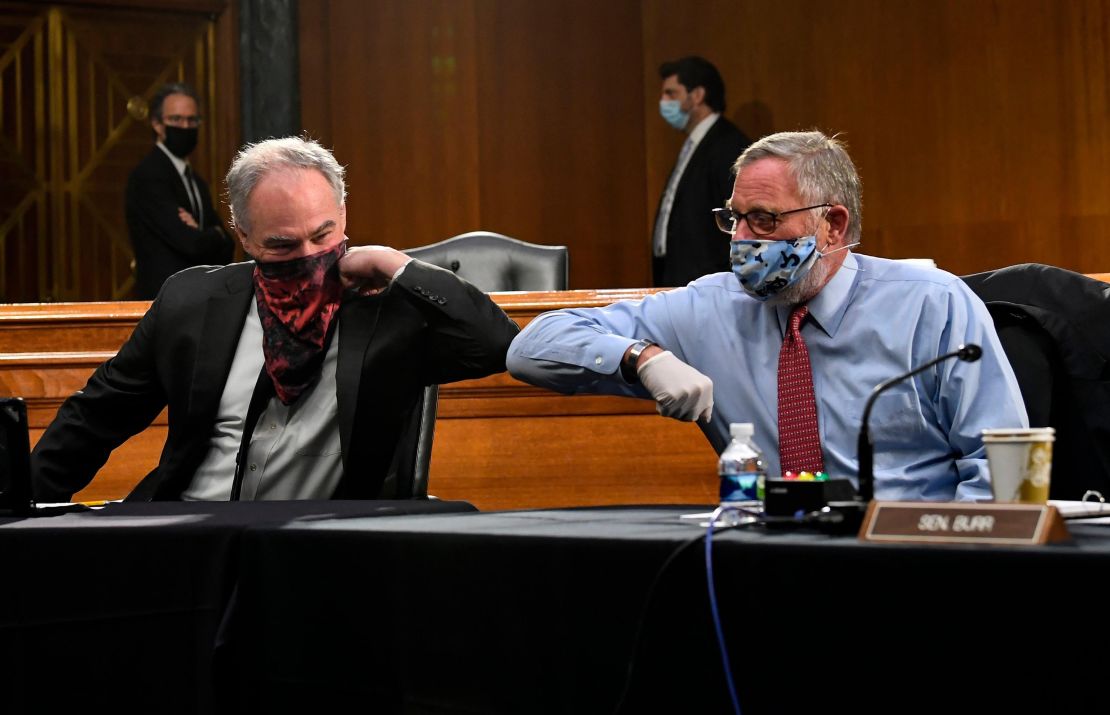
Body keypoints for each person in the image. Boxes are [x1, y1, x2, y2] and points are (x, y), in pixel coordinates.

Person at [508, 130, 1028, 501]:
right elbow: (530, 348)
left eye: (764, 220)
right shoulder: (710, 306)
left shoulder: (932, 303)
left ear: (833, 225)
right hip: (772, 566)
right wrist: (640, 356)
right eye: (733, 219)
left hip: (910, 561)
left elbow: (1004, 470)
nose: (740, 240)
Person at [33, 136, 520, 502]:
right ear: (243, 236)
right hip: (191, 534)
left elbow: (497, 344)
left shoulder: (391, 310)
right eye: (283, 246)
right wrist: (18, 510)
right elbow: (96, 417)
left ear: (344, 216)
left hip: (318, 557)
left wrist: (397, 264)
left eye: (322, 235)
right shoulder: (193, 300)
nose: (309, 258)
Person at [126, 82, 235, 299]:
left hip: (198, 300)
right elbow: (192, 244)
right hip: (163, 302)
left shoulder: (196, 181)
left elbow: (228, 247)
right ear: (157, 124)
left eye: (192, 120)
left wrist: (208, 234)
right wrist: (212, 234)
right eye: (176, 120)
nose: (185, 127)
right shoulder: (149, 176)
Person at [652, 56, 750, 287]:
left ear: (696, 96)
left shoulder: (728, 145)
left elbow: (736, 216)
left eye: (671, 93)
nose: (663, 101)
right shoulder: (695, 143)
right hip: (682, 279)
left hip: (709, 283)